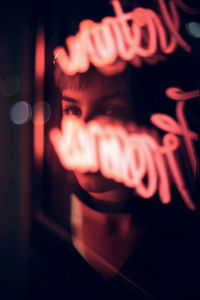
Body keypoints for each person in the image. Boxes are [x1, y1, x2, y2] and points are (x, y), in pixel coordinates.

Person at [27, 57, 200, 300]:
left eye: (110, 110)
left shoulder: (185, 238)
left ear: (145, 115)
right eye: (73, 110)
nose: (86, 131)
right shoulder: (42, 210)